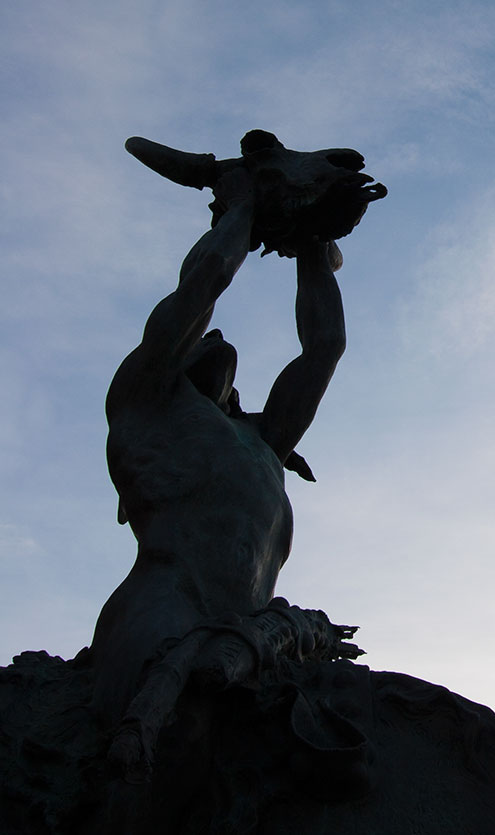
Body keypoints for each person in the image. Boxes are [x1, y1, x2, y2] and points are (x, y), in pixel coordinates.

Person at [90, 167, 347, 724]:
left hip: (251, 633)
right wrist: (244, 205)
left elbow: (324, 345)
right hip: (163, 604)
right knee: (163, 743)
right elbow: (205, 276)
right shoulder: (147, 397)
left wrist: (311, 243)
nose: (217, 337)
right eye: (202, 337)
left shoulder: (263, 442)